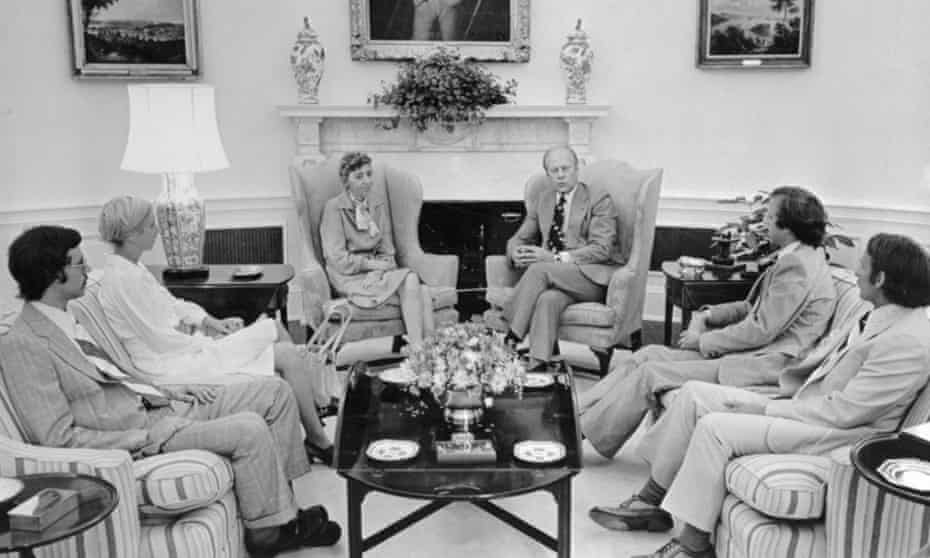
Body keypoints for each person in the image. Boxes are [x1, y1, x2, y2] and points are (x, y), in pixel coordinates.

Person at [0, 226, 341, 556]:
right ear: (52, 274)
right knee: (249, 429)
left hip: (159, 404)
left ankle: (282, 513)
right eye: (78, 263)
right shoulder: (22, 343)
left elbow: (117, 376)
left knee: (275, 393)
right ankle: (268, 534)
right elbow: (58, 438)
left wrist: (171, 390)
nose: (88, 268)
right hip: (142, 433)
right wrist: (140, 437)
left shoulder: (70, 316)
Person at [589, 233, 930, 558]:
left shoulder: (908, 340)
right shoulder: (880, 315)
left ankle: (692, 546)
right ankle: (651, 502)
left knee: (715, 428)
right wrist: (774, 399)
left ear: (881, 279)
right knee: (693, 394)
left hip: (839, 433)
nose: (856, 271)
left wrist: (768, 409)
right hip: (810, 406)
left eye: (863, 265)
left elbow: (846, 412)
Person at [578, 185, 837, 458]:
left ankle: (579, 433)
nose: (764, 221)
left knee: (650, 372)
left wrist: (703, 340)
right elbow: (754, 308)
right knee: (647, 354)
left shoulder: (797, 266)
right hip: (753, 353)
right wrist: (709, 314)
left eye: (770, 216)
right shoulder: (800, 257)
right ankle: (579, 410)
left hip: (763, 365)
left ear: (789, 226)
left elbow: (761, 330)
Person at [95, 196, 334, 465]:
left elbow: (173, 305)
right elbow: (159, 339)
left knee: (275, 329)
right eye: (151, 225)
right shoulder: (122, 280)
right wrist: (208, 341)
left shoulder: (133, 268)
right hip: (173, 367)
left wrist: (211, 322)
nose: (158, 230)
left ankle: (313, 414)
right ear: (132, 235)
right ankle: (317, 436)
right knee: (287, 353)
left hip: (182, 352)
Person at [502, 145, 624, 370]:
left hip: (590, 278)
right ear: (547, 174)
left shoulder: (598, 199)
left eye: (565, 169)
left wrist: (554, 258)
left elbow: (601, 249)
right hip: (556, 280)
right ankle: (539, 364)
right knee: (548, 300)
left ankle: (511, 336)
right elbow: (519, 238)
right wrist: (516, 252)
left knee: (540, 269)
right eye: (554, 170)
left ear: (577, 169)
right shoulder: (544, 199)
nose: (560, 175)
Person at [320, 151, 434, 344]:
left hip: (378, 273)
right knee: (418, 289)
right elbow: (338, 259)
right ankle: (421, 350)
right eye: (359, 176)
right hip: (349, 277)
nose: (366, 181)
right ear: (346, 181)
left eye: (369, 174)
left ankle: (423, 348)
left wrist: (378, 272)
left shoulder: (377, 204)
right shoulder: (333, 208)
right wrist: (372, 266)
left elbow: (387, 251)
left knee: (417, 285)